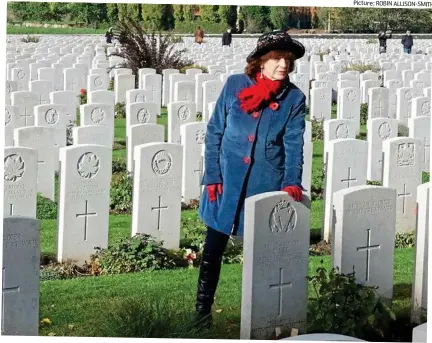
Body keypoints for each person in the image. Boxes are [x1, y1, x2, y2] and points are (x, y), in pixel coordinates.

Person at [194, 30, 306, 327]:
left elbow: (294, 145)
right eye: (276, 58)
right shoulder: (235, 85)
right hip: (226, 182)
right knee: (212, 251)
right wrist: (213, 176)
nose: (283, 64)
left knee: (264, 257)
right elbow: (215, 131)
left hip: (264, 184)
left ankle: (264, 317)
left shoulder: (294, 98)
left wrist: (292, 181)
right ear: (260, 62)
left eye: (288, 59)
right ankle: (201, 313)